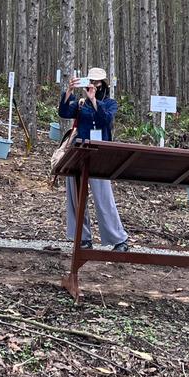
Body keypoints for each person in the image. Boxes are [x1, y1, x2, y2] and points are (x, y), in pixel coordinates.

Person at [58, 67, 129, 252]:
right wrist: (69, 91)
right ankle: (82, 238)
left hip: (101, 153)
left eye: (97, 83)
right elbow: (64, 112)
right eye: (91, 82)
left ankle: (118, 239)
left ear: (103, 83)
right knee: (75, 194)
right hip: (79, 151)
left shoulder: (110, 103)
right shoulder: (80, 104)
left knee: (103, 196)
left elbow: (105, 120)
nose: (94, 85)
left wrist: (94, 100)